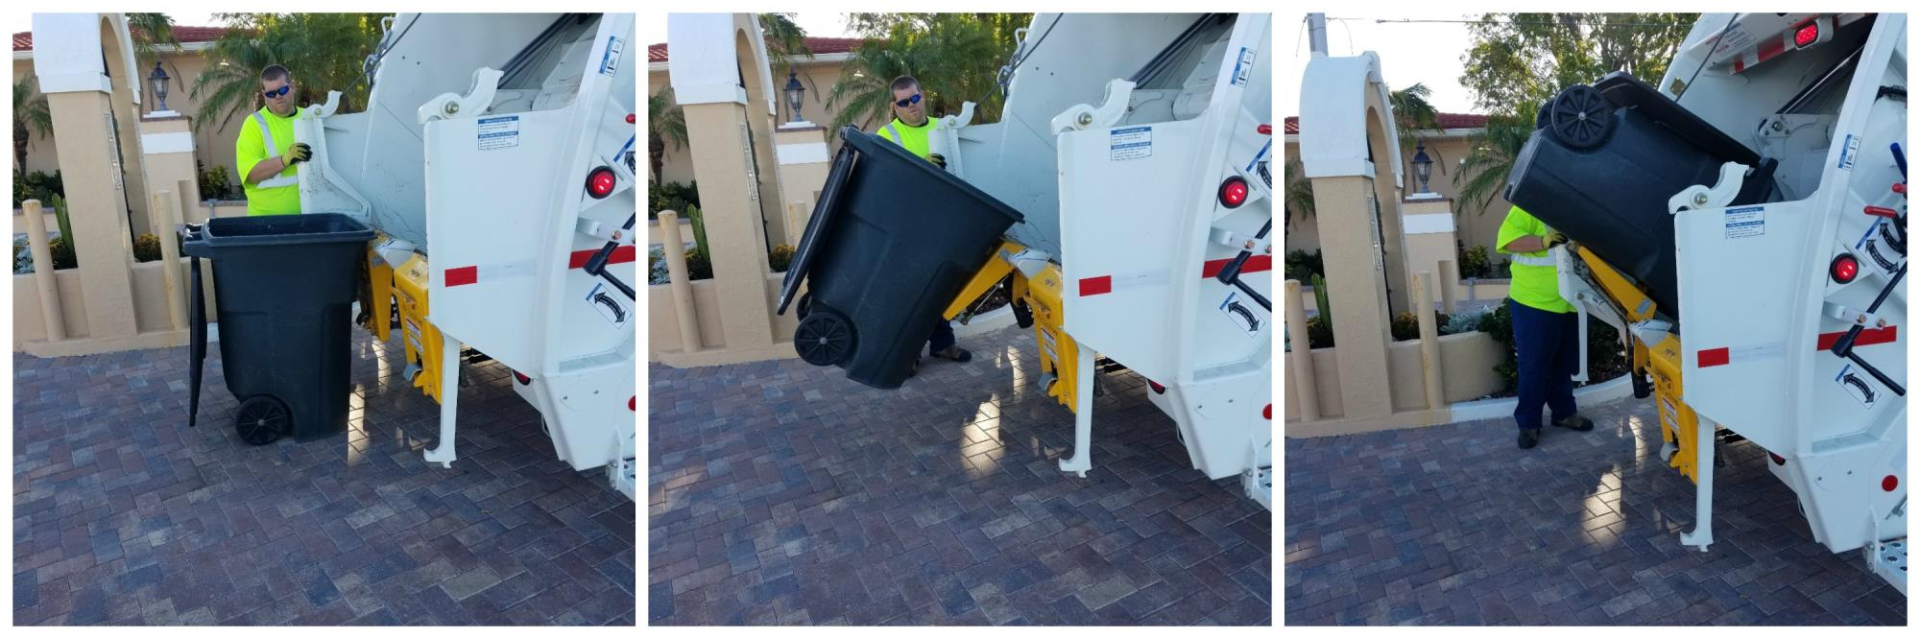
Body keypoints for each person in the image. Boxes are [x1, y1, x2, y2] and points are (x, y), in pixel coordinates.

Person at [877, 75, 971, 369]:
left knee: (939, 286)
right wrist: (922, 169)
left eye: (915, 98)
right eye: (904, 102)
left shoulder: (944, 128)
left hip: (942, 222)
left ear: (923, 96)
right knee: (911, 291)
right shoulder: (887, 135)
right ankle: (909, 353)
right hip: (907, 225)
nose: (912, 106)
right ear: (895, 106)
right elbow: (886, 182)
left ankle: (943, 344)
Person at [1496, 205, 1593, 449]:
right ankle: (1528, 423)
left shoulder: (1575, 206)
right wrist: (1542, 241)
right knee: (1534, 365)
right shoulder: (1527, 206)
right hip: (1533, 301)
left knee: (1563, 363)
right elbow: (1508, 240)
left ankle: (1564, 413)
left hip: (1570, 300)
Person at [235, 65, 311, 216]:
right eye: (271, 93)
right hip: (267, 222)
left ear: (292, 86)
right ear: (264, 95)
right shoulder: (255, 124)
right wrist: (284, 160)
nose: (278, 96)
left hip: (310, 217)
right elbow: (250, 174)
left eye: (282, 90)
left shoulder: (309, 118)